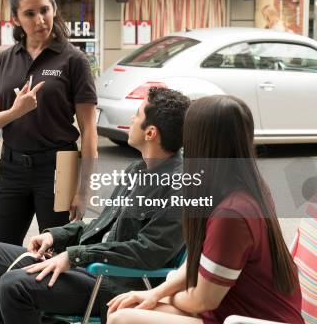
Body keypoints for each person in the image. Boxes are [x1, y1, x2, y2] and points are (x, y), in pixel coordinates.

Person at [0, 87, 191, 324]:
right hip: (88, 267)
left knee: (14, 285)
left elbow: (149, 252)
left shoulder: (180, 186)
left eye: (137, 115)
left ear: (151, 133)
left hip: (113, 283)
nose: (131, 120)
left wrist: (75, 256)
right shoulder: (137, 170)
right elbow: (102, 225)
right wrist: (56, 237)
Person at [107, 95, 303, 324]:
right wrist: (154, 294)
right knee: (125, 312)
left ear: (201, 141)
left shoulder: (232, 214)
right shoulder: (246, 187)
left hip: (245, 319)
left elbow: (203, 300)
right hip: (231, 311)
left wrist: (162, 299)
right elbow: (200, 260)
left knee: (123, 319)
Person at [0, 0, 98, 246]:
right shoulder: (4, 60)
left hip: (60, 167)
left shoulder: (74, 60)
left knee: (58, 255)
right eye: (30, 13)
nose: (40, 20)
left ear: (54, 8)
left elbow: (89, 131)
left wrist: (84, 190)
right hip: (12, 169)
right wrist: (15, 112)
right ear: (16, 19)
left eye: (44, 10)